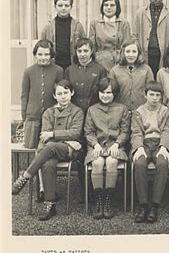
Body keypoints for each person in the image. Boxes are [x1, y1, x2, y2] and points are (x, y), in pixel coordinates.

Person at [12, 79, 84, 221]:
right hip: (56, 148)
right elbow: (45, 136)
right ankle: (50, 205)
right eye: (59, 93)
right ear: (55, 96)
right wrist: (65, 139)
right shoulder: (48, 112)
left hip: (69, 151)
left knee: (50, 147)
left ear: (72, 93)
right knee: (48, 164)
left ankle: (24, 177)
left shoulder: (77, 111)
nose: (63, 96)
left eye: (66, 92)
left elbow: (75, 132)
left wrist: (53, 135)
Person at [83, 78, 130, 219]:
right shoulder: (92, 110)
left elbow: (125, 131)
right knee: (97, 163)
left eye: (109, 92)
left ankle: (108, 200)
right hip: (96, 144)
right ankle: (99, 199)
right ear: (98, 93)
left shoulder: (122, 109)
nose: (105, 95)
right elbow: (88, 131)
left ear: (114, 93)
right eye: (102, 92)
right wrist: (95, 144)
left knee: (111, 162)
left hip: (116, 144)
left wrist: (117, 144)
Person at [131, 81, 169, 223]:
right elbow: (136, 132)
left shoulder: (166, 111)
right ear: (145, 95)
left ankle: (155, 205)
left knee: (162, 163)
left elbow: (167, 130)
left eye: (158, 95)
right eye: (151, 94)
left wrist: (164, 147)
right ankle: (143, 204)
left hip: (160, 143)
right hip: (144, 143)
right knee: (139, 163)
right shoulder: (138, 112)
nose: (154, 98)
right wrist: (139, 148)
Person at [20, 40, 63, 149]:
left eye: (46, 54)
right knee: (31, 147)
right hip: (32, 117)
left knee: (47, 148)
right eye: (40, 54)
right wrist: (24, 118)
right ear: (35, 55)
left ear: (51, 55)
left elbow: (60, 94)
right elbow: (24, 96)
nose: (43, 57)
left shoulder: (58, 71)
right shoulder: (28, 71)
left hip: (50, 118)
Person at [132, 0, 169, 77]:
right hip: (146, 54)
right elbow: (134, 36)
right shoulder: (140, 13)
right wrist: (138, 53)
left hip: (164, 54)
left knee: (162, 79)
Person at [40, 0, 86, 70]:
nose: (63, 8)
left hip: (73, 65)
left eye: (66, 5)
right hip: (54, 66)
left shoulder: (78, 26)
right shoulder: (48, 27)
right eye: (60, 5)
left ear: (71, 7)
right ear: (55, 7)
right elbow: (42, 47)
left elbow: (84, 46)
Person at [89, 0, 131, 72]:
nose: (108, 8)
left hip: (118, 62)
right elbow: (92, 46)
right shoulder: (95, 23)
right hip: (100, 62)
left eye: (112, 5)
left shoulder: (124, 23)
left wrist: (120, 59)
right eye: (106, 5)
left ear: (117, 7)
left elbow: (127, 46)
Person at [65, 37, 107, 114]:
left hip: (94, 111)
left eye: (86, 51)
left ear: (91, 51)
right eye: (79, 51)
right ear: (76, 52)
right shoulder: (69, 70)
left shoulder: (100, 70)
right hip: (74, 112)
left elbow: (104, 92)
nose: (82, 54)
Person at [109, 40, 154, 111]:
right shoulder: (114, 70)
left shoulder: (146, 69)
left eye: (134, 51)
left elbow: (151, 91)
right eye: (127, 51)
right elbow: (111, 92)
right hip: (120, 110)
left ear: (139, 53)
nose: (131, 55)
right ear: (123, 53)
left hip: (141, 110)